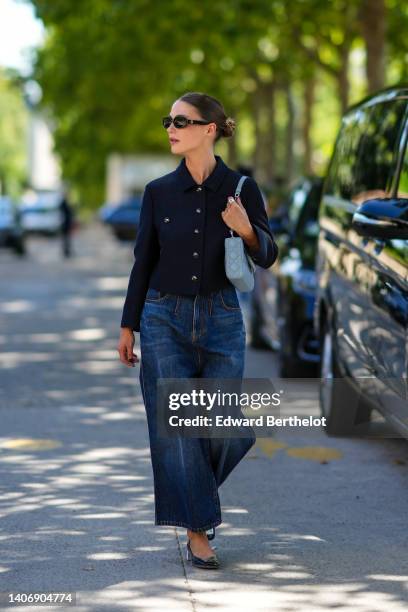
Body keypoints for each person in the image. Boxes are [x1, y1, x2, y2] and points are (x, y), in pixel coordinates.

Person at [117, 92, 279, 569]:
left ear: (209, 129)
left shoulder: (241, 188)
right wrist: (128, 324)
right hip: (162, 317)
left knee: (225, 426)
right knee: (178, 429)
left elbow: (269, 254)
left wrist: (246, 230)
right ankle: (198, 531)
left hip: (222, 317)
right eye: (168, 120)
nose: (171, 128)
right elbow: (142, 261)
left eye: (182, 121)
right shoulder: (158, 192)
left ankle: (196, 502)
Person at [59, 191, 74, 258]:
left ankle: (67, 251)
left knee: (67, 238)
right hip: (65, 224)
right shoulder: (63, 203)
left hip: (66, 223)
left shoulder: (65, 203)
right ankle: (66, 251)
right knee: (66, 238)